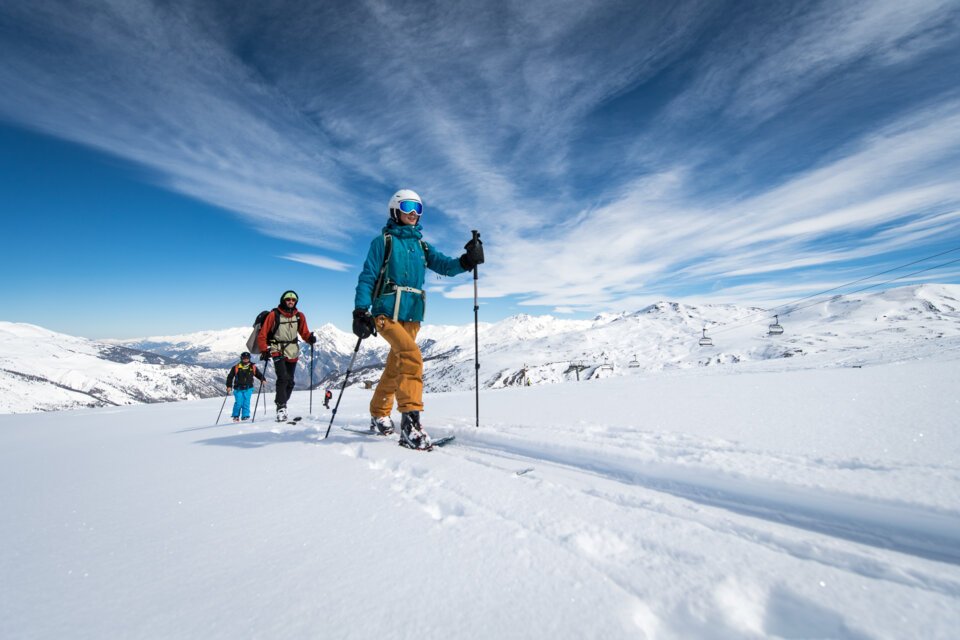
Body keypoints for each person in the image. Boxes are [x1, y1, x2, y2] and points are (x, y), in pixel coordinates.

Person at [352, 189, 484, 449]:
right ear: (395, 210)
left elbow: (445, 265)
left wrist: (467, 260)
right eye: (408, 206)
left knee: (396, 365)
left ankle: (379, 412)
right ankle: (410, 424)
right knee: (412, 357)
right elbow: (368, 275)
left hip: (412, 316)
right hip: (386, 313)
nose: (414, 213)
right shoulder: (384, 241)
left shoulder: (422, 245)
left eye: (419, 208)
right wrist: (360, 310)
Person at [256, 290, 317, 421]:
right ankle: (281, 407)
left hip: (293, 350)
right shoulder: (274, 315)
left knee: (290, 382)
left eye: (293, 300)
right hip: (277, 349)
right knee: (283, 378)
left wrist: (309, 338)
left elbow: (304, 332)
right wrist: (264, 350)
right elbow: (262, 334)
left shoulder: (299, 316)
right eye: (288, 299)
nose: (290, 301)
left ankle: (282, 402)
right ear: (283, 300)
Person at [225, 351, 266, 422]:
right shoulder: (236, 368)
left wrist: (263, 379)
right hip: (238, 389)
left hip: (248, 388)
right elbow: (230, 377)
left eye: (247, 358)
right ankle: (235, 416)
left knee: (246, 402)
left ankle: (245, 416)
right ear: (241, 359)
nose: (246, 360)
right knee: (238, 403)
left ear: (249, 359)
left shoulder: (253, 367)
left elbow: (258, 374)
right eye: (244, 358)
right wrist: (229, 386)